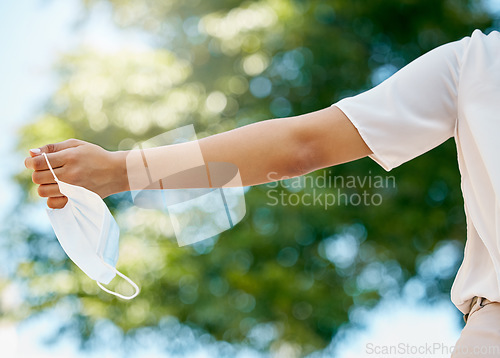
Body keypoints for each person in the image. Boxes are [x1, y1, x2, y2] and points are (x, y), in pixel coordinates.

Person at [25, 29, 500, 357]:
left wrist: (123, 171)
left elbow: (303, 146)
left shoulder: (480, 62)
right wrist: (121, 171)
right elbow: (300, 146)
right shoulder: (477, 64)